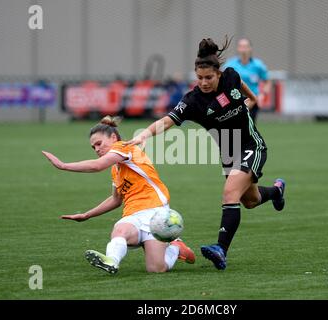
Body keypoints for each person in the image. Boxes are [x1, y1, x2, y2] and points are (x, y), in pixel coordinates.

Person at [124, 37, 286, 270]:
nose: (204, 82)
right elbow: (168, 121)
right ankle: (276, 191)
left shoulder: (231, 76)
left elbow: (252, 98)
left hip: (252, 145)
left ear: (218, 74)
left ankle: (221, 249)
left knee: (230, 193)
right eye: (199, 78)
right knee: (249, 200)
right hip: (229, 150)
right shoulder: (193, 101)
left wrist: (248, 105)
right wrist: (145, 134)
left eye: (208, 77)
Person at [42, 116, 195, 275]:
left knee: (156, 269)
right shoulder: (115, 169)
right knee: (120, 230)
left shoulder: (125, 147)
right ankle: (112, 261)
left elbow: (97, 166)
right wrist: (87, 215)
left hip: (155, 213)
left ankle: (176, 249)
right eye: (93, 147)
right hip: (133, 216)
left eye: (99, 143)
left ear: (114, 137)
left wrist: (63, 166)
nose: (96, 149)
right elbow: (116, 199)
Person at [222, 38, 271, 122]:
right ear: (238, 49)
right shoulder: (230, 64)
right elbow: (221, 81)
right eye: (241, 47)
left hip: (252, 99)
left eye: (246, 46)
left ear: (250, 48)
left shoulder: (258, 65)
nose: (243, 49)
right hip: (235, 100)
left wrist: (262, 95)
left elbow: (267, 81)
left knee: (249, 126)